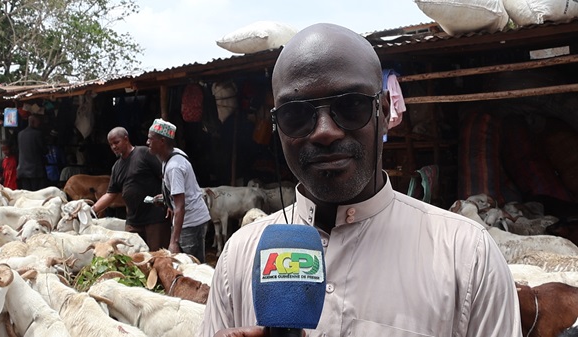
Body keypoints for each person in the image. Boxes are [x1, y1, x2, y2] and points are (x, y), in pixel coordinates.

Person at [199, 23, 522, 337]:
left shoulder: (467, 254)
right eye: (296, 114)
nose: (325, 131)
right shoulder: (239, 255)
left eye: (350, 105)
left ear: (383, 112)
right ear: (278, 127)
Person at [92, 127, 171, 251]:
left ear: (126, 139)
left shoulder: (144, 153)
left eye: (116, 142)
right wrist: (92, 210)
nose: (114, 147)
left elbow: (165, 176)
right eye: (111, 144)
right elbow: (110, 194)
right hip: (133, 221)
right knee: (133, 258)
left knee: (157, 256)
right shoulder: (116, 167)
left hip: (155, 218)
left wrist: (169, 200)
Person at [146, 118, 210, 262]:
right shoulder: (169, 157)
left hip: (191, 222)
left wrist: (173, 242)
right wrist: (167, 201)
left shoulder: (174, 166)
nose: (147, 142)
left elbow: (180, 207)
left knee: (193, 266)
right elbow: (179, 194)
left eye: (151, 139)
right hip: (186, 220)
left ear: (162, 141)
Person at [16, 114, 47, 191]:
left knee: (27, 193)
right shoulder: (37, 134)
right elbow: (44, 150)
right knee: (36, 193)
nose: (39, 124)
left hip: (22, 170)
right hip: (35, 171)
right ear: (33, 122)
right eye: (38, 122)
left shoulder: (20, 134)